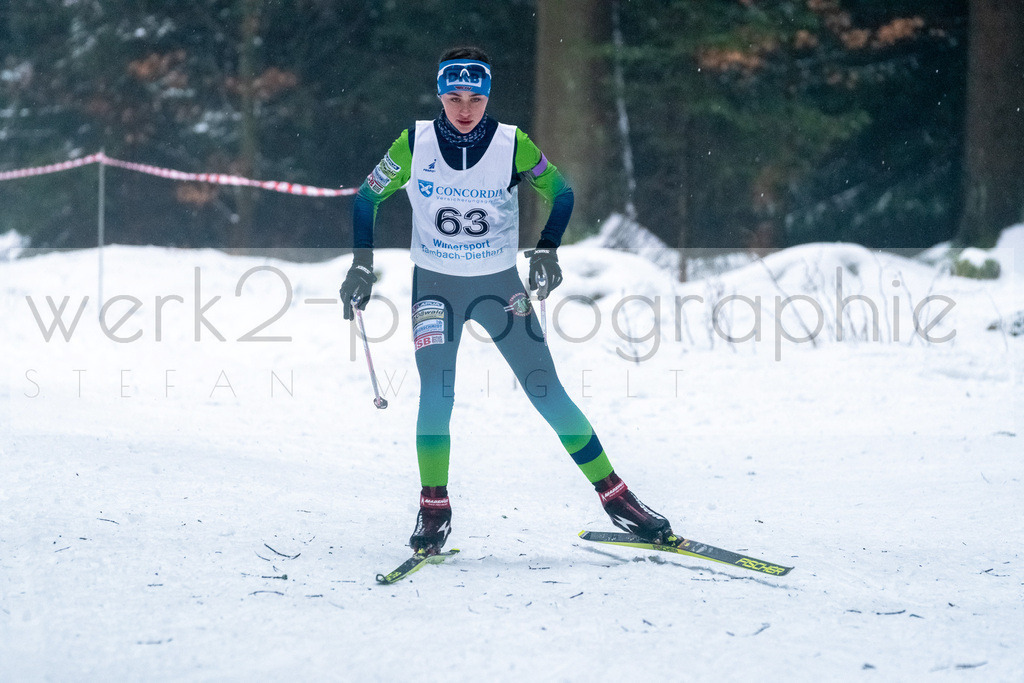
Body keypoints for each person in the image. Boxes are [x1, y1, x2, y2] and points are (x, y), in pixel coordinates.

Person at [340, 46, 674, 554]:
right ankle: (434, 508)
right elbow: (367, 197)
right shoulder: (415, 142)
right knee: (437, 392)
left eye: (475, 96)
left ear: (488, 95)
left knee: (545, 388)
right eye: (453, 96)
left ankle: (616, 497)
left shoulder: (511, 143)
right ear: (439, 95)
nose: (465, 108)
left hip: (500, 287)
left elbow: (561, 192)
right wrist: (362, 265)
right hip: (435, 287)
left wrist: (548, 250)